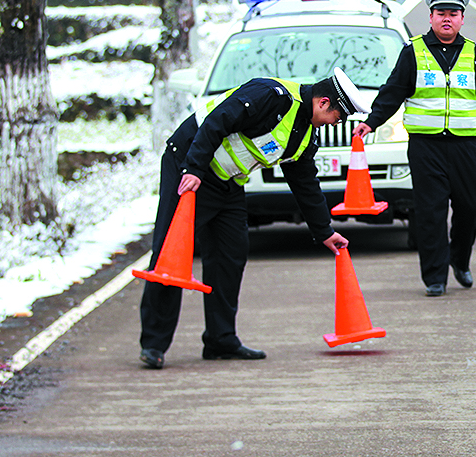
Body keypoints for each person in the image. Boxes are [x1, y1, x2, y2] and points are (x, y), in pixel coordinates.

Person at [137, 68, 366, 369]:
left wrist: (323, 230)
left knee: (230, 255)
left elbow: (304, 182)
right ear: (324, 102)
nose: (336, 123)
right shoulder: (270, 96)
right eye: (337, 116)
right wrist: (193, 169)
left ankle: (221, 340)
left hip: (227, 182)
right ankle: (153, 344)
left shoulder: (305, 134)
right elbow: (217, 121)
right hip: (189, 165)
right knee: (170, 254)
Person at [353, 0, 476, 297]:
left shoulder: (475, 55)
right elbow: (392, 92)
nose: (446, 19)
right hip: (425, 147)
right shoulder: (413, 52)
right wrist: (371, 122)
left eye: (453, 14)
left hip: (465, 147)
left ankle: (460, 260)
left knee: (471, 206)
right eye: (441, 14)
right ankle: (435, 277)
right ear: (431, 17)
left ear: (462, 19)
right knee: (430, 211)